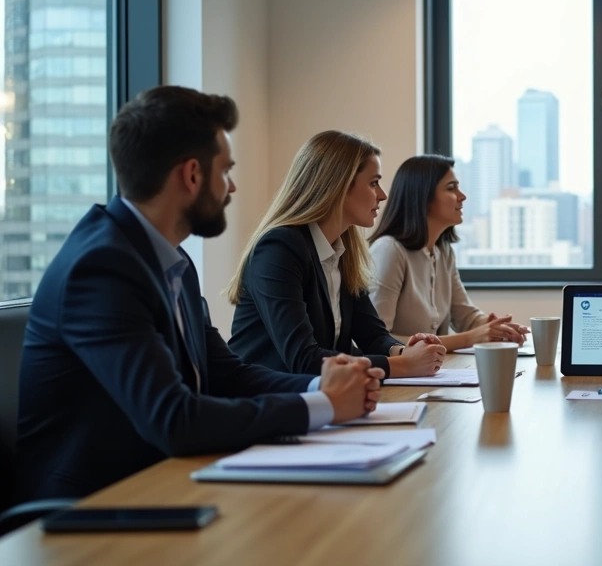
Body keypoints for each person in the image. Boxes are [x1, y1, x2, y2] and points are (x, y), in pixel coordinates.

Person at [16, 86, 383, 502]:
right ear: (191, 175)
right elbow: (174, 418)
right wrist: (324, 405)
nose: (232, 188)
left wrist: (322, 385)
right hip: (93, 508)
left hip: (166, 481)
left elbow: (229, 374)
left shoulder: (172, 262)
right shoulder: (100, 268)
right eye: (225, 171)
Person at [226, 132, 447, 378]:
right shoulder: (279, 249)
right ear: (339, 185)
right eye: (374, 183)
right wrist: (404, 366)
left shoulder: (344, 252)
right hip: (265, 404)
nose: (382, 195)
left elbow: (372, 335)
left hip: (318, 399)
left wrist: (403, 351)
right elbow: (304, 359)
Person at [368, 155, 528, 350]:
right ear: (423, 197)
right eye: (451, 188)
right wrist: (470, 338)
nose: (462, 196)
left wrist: (495, 328)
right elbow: (377, 340)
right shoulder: (389, 250)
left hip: (433, 370)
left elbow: (466, 317)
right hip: (398, 375)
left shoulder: (443, 251)